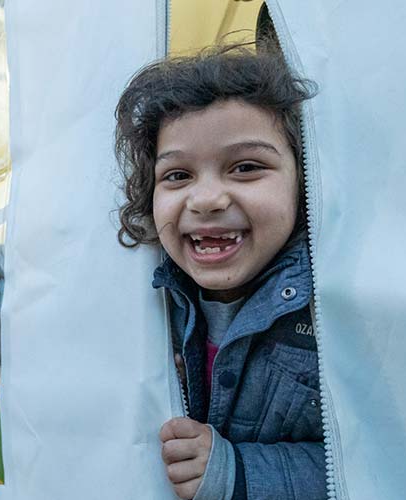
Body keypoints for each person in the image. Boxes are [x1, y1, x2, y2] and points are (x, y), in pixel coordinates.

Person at [114, 41, 325, 500]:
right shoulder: (149, 298)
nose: (206, 198)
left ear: (306, 179)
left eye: (246, 167)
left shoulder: (333, 303)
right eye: (177, 175)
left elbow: (371, 456)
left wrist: (236, 470)